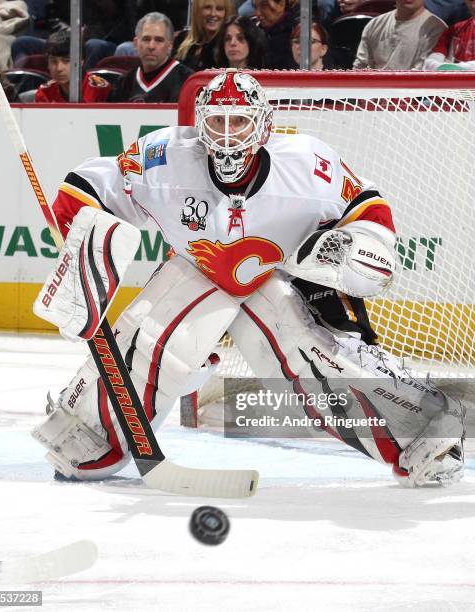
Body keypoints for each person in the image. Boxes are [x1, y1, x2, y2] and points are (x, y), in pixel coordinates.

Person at [31, 69, 464, 488]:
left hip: (281, 278)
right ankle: (90, 430)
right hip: (196, 270)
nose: (225, 133)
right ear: (199, 123)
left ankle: (422, 431)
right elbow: (90, 184)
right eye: (216, 121)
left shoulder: (309, 164)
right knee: (151, 337)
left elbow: (367, 207)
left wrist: (353, 248)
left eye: (237, 121)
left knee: (313, 358)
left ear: (263, 126)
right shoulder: (164, 156)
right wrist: (78, 236)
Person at [110, 13, 194, 103]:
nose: (151, 46)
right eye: (146, 39)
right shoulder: (123, 84)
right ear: (136, 43)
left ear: (170, 45)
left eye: (159, 40)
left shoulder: (187, 81)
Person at [353, 0, 446, 70]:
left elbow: (422, 75)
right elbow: (360, 67)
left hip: (412, 94)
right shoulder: (375, 24)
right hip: (373, 91)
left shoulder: (436, 29)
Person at [34, 30, 111, 103]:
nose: (59, 68)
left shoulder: (100, 89)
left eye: (66, 61)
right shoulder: (44, 92)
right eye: (53, 61)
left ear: (81, 62)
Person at [175, 0, 236, 71]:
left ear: (227, 13)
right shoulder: (182, 40)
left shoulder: (230, 46)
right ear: (197, 11)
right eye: (207, 7)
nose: (213, 14)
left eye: (219, 9)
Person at [424, 0, 475, 71]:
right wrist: (439, 66)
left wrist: (455, 68)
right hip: (457, 81)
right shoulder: (455, 30)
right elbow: (430, 62)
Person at [253, 0, 300, 69]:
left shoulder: (296, 34)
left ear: (281, 4)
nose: (257, 13)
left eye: (264, 6)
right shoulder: (255, 33)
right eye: (255, 7)